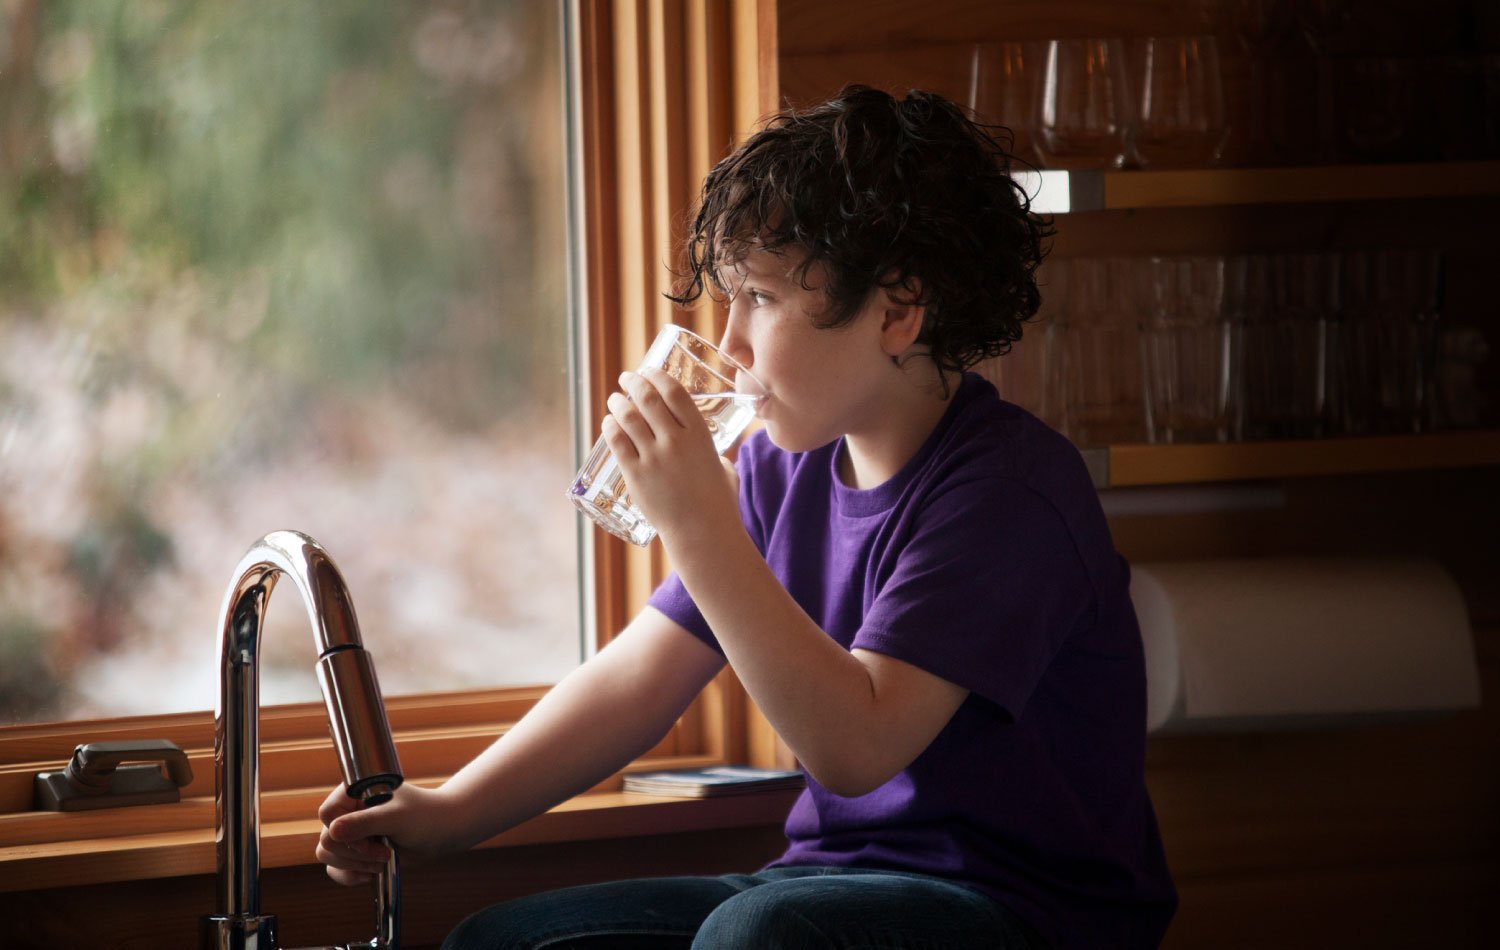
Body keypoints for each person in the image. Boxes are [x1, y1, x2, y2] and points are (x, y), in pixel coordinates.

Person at [317, 85, 1177, 950]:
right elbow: (637, 683)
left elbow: (857, 744)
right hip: (826, 884)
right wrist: (448, 812)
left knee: (760, 933)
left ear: (897, 310)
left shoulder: (1009, 493)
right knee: (500, 942)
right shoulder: (780, 467)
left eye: (759, 299)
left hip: (1026, 912)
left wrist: (698, 526)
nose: (728, 346)